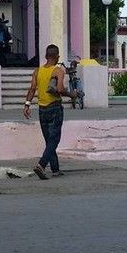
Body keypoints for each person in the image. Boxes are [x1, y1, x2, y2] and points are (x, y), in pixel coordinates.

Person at [23, 44, 78, 179]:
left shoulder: (37, 71)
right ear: (57, 57)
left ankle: (55, 169)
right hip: (54, 108)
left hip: (42, 109)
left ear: (46, 56)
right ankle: (41, 165)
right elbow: (59, 89)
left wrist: (27, 105)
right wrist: (72, 95)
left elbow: (32, 89)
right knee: (54, 140)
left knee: (49, 140)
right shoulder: (58, 71)